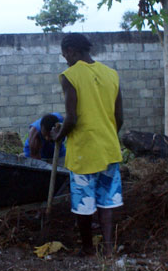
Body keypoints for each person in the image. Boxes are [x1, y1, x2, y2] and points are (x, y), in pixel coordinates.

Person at [51, 33, 123, 258]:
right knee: (107, 201)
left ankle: (88, 250)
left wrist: (58, 135)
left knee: (84, 202)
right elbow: (119, 117)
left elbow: (71, 118)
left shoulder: (70, 76)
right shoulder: (111, 74)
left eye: (66, 56)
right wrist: (107, 134)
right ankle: (109, 249)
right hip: (109, 149)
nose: (66, 60)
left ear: (72, 50)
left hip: (84, 151)